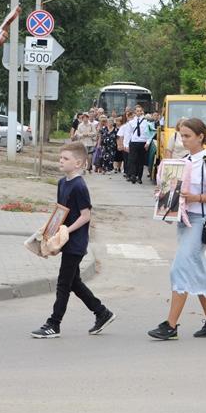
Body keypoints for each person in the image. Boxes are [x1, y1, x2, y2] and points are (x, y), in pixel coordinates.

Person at [147, 118, 206, 340]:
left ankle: (171, 325)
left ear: (201, 137)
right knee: (197, 270)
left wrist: (194, 197)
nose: (183, 140)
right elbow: (175, 190)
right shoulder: (184, 160)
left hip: (202, 220)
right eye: (181, 135)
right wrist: (164, 197)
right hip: (185, 219)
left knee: (180, 267)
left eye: (187, 136)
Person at [31, 143, 116, 338]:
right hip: (64, 239)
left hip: (75, 243)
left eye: (66, 158)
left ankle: (54, 324)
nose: (61, 161)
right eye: (61, 158)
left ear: (78, 163)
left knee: (63, 283)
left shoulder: (79, 186)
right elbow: (61, 211)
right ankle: (102, 313)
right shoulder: (62, 182)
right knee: (74, 282)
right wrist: (48, 230)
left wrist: (66, 231)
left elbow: (86, 215)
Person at [127, 105, 153, 184]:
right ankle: (133, 175)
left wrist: (148, 143)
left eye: (140, 111)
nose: (138, 112)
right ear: (135, 112)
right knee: (133, 159)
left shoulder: (146, 122)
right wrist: (126, 144)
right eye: (137, 111)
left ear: (142, 111)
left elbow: (150, 133)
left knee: (140, 161)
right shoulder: (131, 122)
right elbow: (128, 134)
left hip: (142, 142)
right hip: (134, 142)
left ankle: (140, 177)